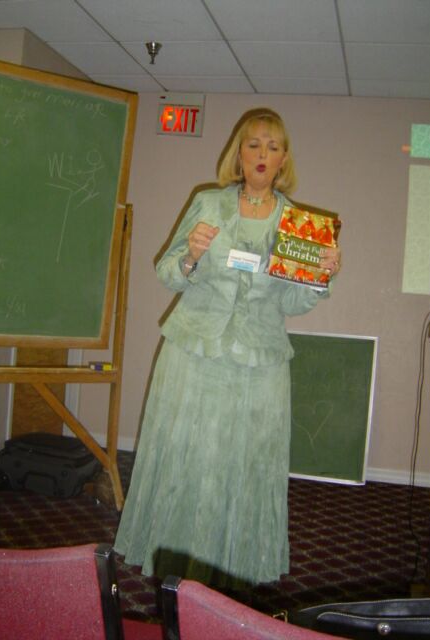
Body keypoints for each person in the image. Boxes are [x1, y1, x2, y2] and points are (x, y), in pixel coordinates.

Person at [114, 108, 341, 589]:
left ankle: (232, 568)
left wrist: (321, 277)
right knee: (188, 456)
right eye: (253, 144)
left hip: (259, 363)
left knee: (245, 463)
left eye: (272, 146)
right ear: (238, 154)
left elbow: (293, 303)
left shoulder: (298, 224)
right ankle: (175, 560)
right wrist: (191, 256)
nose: (262, 154)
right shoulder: (208, 203)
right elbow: (167, 272)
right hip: (194, 353)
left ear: (284, 159)